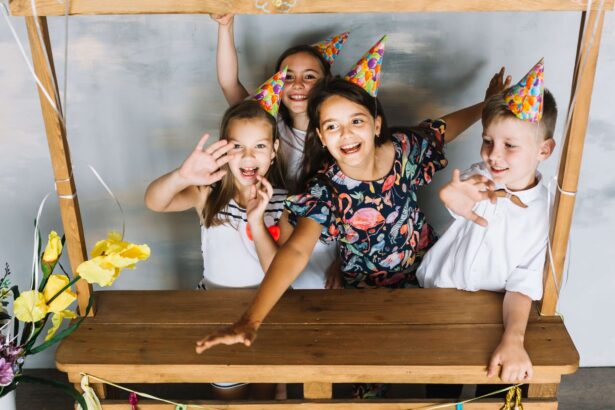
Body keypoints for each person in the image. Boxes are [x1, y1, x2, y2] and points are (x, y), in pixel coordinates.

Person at [195, 37, 511, 397]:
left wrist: (487, 106)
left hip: (426, 275)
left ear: (376, 125)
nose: (345, 134)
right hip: (363, 296)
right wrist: (251, 320)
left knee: (439, 370)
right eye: (332, 126)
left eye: (356, 121)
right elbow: (296, 252)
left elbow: (442, 129)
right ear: (321, 137)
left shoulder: (406, 148)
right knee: (366, 380)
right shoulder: (324, 190)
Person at [145, 69, 289, 399]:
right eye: (238, 146)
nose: (249, 156)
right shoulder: (208, 193)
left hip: (264, 312)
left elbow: (276, 270)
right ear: (224, 149)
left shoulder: (282, 202)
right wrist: (182, 176)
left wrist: (257, 221)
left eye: (259, 146)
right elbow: (155, 201)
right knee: (228, 397)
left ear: (274, 150)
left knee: (263, 396)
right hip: (214, 309)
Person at [417, 59, 557, 384]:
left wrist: (512, 338)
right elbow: (463, 196)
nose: (493, 155)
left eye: (510, 146)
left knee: (496, 379)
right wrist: (454, 198)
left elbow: (523, 283)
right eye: (487, 141)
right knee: (438, 382)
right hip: (442, 293)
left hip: (500, 309)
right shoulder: (480, 177)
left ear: (544, 150)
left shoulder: (545, 210)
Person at [211, 15, 349, 290]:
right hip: (267, 227)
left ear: (326, 82)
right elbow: (229, 83)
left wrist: (344, 260)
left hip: (322, 242)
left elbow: (355, 196)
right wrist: (225, 27)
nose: (297, 85)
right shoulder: (264, 121)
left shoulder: (340, 132)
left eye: (309, 77)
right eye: (288, 77)